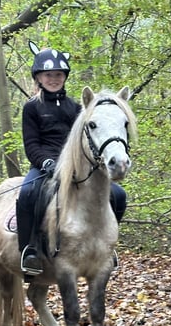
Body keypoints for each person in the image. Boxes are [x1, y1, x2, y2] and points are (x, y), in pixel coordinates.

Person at [17, 41, 127, 276]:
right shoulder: (32, 108)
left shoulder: (77, 107)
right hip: (44, 165)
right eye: (48, 75)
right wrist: (46, 162)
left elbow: (87, 140)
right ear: (38, 78)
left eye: (58, 74)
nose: (53, 79)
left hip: (77, 166)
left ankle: (107, 245)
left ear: (64, 77)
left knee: (118, 194)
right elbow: (31, 144)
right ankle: (30, 249)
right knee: (28, 193)